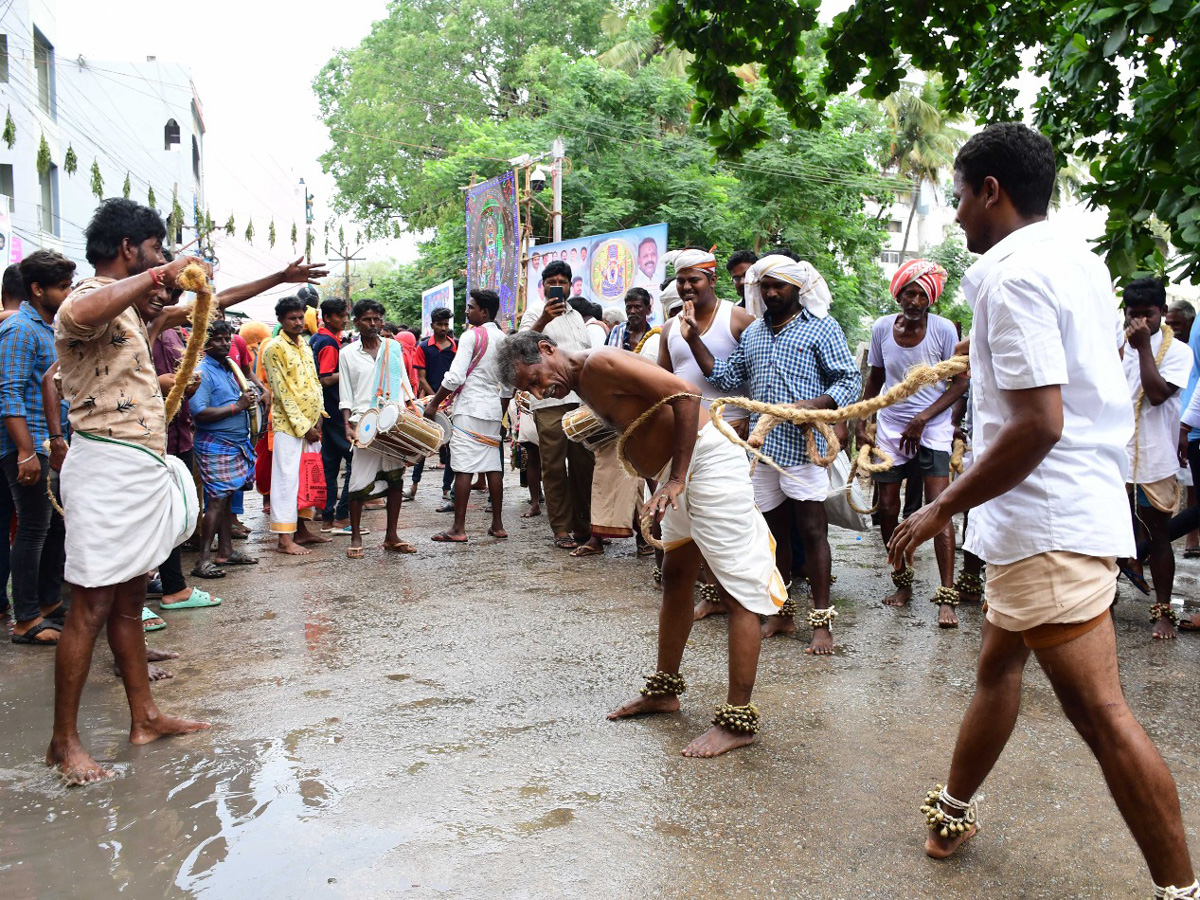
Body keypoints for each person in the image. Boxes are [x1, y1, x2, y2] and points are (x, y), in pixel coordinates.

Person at [890, 123, 1196, 896]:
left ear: (991, 190)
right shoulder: (1074, 258)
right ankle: (953, 809)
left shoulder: (1012, 272)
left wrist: (940, 510)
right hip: (1052, 511)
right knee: (997, 669)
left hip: (1045, 520)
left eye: (960, 198)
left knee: (1100, 714)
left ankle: (1180, 890)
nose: (957, 216)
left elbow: (1038, 422)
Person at [499, 331, 786, 757]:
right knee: (675, 576)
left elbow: (687, 395)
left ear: (546, 349)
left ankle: (737, 720)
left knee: (738, 592)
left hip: (705, 463)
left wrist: (675, 479)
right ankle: (664, 691)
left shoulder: (598, 363)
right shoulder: (581, 381)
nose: (543, 391)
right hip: (678, 471)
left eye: (537, 379)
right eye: (532, 390)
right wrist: (661, 479)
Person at [48, 199, 212, 785]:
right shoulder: (84, 300)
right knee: (89, 607)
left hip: (139, 468)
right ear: (130, 248)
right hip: (105, 470)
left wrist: (278, 279)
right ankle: (63, 743)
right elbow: (83, 309)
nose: (164, 261)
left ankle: (144, 717)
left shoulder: (132, 313)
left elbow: (208, 301)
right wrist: (162, 274)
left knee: (127, 602)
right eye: (157, 249)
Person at [686, 255, 860, 653]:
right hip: (764, 451)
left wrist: (814, 406)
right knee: (774, 534)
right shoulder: (754, 334)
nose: (770, 293)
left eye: (778, 286)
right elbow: (725, 377)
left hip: (804, 447)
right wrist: (694, 337)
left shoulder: (822, 328)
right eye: (764, 286)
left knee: (813, 531)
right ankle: (782, 613)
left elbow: (849, 379)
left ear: (798, 289)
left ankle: (822, 623)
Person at [857, 259, 968, 627]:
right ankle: (902, 582)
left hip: (932, 427)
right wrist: (863, 418)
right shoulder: (882, 328)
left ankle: (946, 598)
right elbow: (876, 377)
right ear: (899, 293)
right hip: (890, 426)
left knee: (939, 508)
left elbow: (960, 383)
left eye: (922, 295)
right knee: (888, 508)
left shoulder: (943, 331)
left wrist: (924, 419)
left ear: (931, 300)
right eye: (910, 293)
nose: (915, 301)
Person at [658, 248, 751, 617]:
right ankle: (712, 594)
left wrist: (747, 418)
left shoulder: (739, 318)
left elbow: (754, 374)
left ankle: (742, 597)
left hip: (732, 434)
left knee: (730, 518)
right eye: (681, 281)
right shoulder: (669, 328)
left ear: (712, 280)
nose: (686, 287)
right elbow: (663, 384)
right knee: (693, 515)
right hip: (686, 438)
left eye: (693, 279)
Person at [0, 250, 73, 645]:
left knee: (54, 526)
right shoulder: (21, 331)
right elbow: (8, 394)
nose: (68, 293)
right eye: (62, 287)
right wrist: (26, 453)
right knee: (32, 529)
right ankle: (26, 620)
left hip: (45, 441)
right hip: (24, 445)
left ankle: (47, 604)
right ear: (36, 289)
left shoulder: (49, 328)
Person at [1119, 276, 1191, 639]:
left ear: (1162, 313)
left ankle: (1163, 613)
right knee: (1107, 532)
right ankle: (1101, 601)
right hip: (1116, 453)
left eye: (1148, 315)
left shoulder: (1178, 351)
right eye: (1134, 315)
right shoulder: (1117, 345)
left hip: (1154, 456)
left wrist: (1144, 347)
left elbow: (1159, 394)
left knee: (1158, 534)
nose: (1140, 322)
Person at [519, 260, 595, 549]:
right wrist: (543, 321)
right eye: (553, 281)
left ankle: (585, 526)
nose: (558, 286)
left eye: (563, 281)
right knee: (553, 465)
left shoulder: (577, 315)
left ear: (570, 285)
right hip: (549, 400)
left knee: (583, 463)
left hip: (581, 400)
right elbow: (522, 346)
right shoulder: (534, 312)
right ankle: (561, 528)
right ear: (544, 286)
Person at [426, 289, 509, 542]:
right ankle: (497, 525)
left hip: (469, 408)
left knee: (463, 468)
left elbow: (455, 376)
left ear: (484, 312)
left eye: (471, 307)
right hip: (493, 409)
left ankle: (458, 529)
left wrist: (433, 405)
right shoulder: (505, 340)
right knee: (493, 467)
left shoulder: (470, 336)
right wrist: (500, 412)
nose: (467, 310)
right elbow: (508, 386)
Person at [339, 299, 416, 558]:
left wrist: (411, 419)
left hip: (393, 421)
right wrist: (347, 426)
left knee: (396, 479)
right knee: (358, 482)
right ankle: (357, 535)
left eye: (377, 319)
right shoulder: (347, 353)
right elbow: (345, 395)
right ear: (357, 322)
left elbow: (405, 388)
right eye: (367, 319)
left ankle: (391, 536)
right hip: (364, 423)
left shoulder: (394, 349)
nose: (373, 324)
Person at [187, 319, 260, 578]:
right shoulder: (202, 372)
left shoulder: (228, 367)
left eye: (227, 338)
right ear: (204, 343)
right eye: (217, 339)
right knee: (216, 502)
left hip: (235, 443)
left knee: (226, 500)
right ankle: (203, 560)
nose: (224, 343)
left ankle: (226, 551)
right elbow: (200, 413)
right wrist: (237, 407)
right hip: (215, 444)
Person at [261, 296, 330, 556]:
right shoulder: (273, 347)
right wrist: (304, 426)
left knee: (306, 479)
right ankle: (284, 539)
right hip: (288, 425)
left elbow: (314, 381)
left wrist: (320, 414)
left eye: (301, 317)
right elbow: (281, 392)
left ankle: (302, 531)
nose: (298, 322)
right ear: (281, 320)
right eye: (292, 318)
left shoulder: (305, 344)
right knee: (286, 480)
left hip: (311, 422)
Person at [311, 298, 353, 533]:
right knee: (354, 461)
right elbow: (325, 377)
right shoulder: (327, 341)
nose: (344, 319)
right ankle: (341, 514)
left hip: (325, 411)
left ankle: (326, 514)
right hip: (335, 409)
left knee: (329, 465)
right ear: (328, 317)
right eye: (340, 315)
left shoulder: (318, 338)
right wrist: (347, 370)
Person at [410, 306, 458, 504]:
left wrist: (449, 399)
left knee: (451, 447)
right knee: (424, 443)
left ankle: (447, 488)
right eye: (440, 324)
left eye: (446, 324)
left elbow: (458, 376)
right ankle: (413, 485)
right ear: (432, 325)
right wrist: (436, 399)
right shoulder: (423, 347)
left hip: (452, 401)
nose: (444, 328)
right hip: (430, 401)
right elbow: (421, 378)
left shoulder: (456, 346)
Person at [1165, 299, 1200, 557]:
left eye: (1177, 324)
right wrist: (1186, 425)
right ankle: (1144, 548)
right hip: (1189, 425)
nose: (1173, 329)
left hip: (1188, 424)